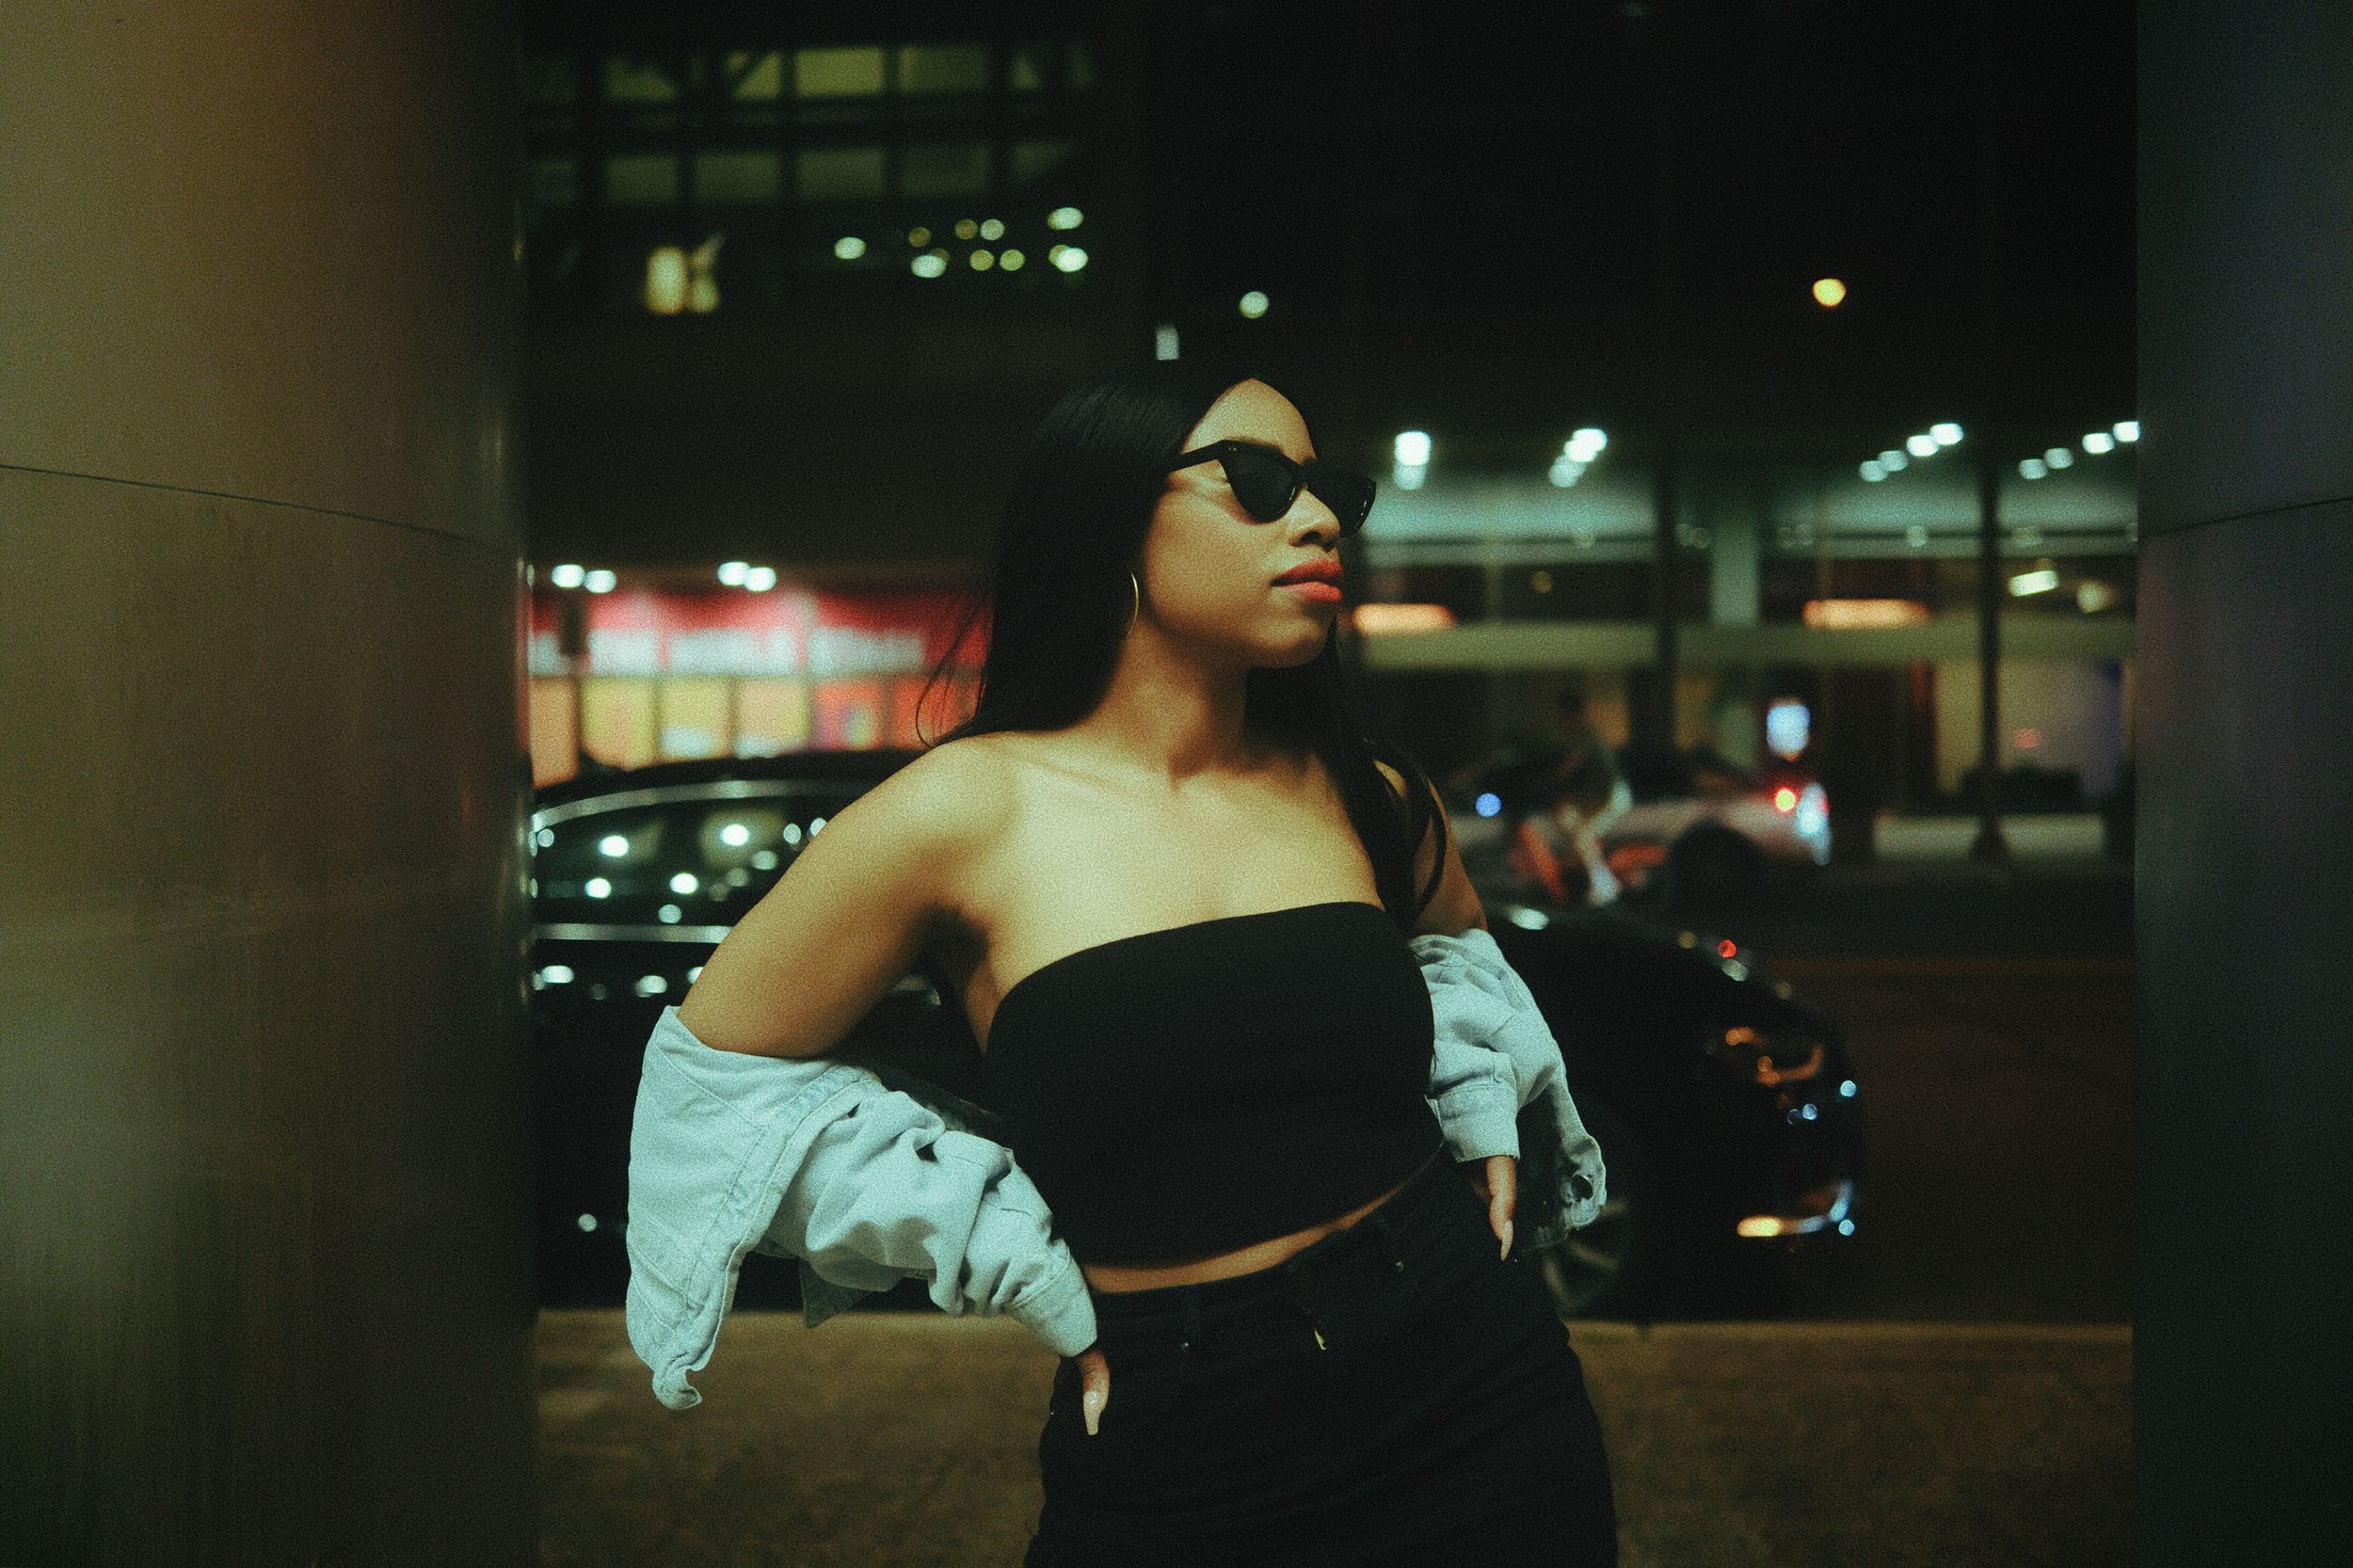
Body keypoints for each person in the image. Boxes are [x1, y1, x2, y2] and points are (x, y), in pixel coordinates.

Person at [664, 363, 1619, 1565]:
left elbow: (1455, 955)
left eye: (1331, 491)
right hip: (1176, 1430)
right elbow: (707, 1087)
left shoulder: (1366, 792)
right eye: (1258, 482)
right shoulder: (959, 812)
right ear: (1110, 513)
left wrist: (1477, 1089)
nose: (1319, 520)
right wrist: (992, 1240)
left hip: (1472, 1382)